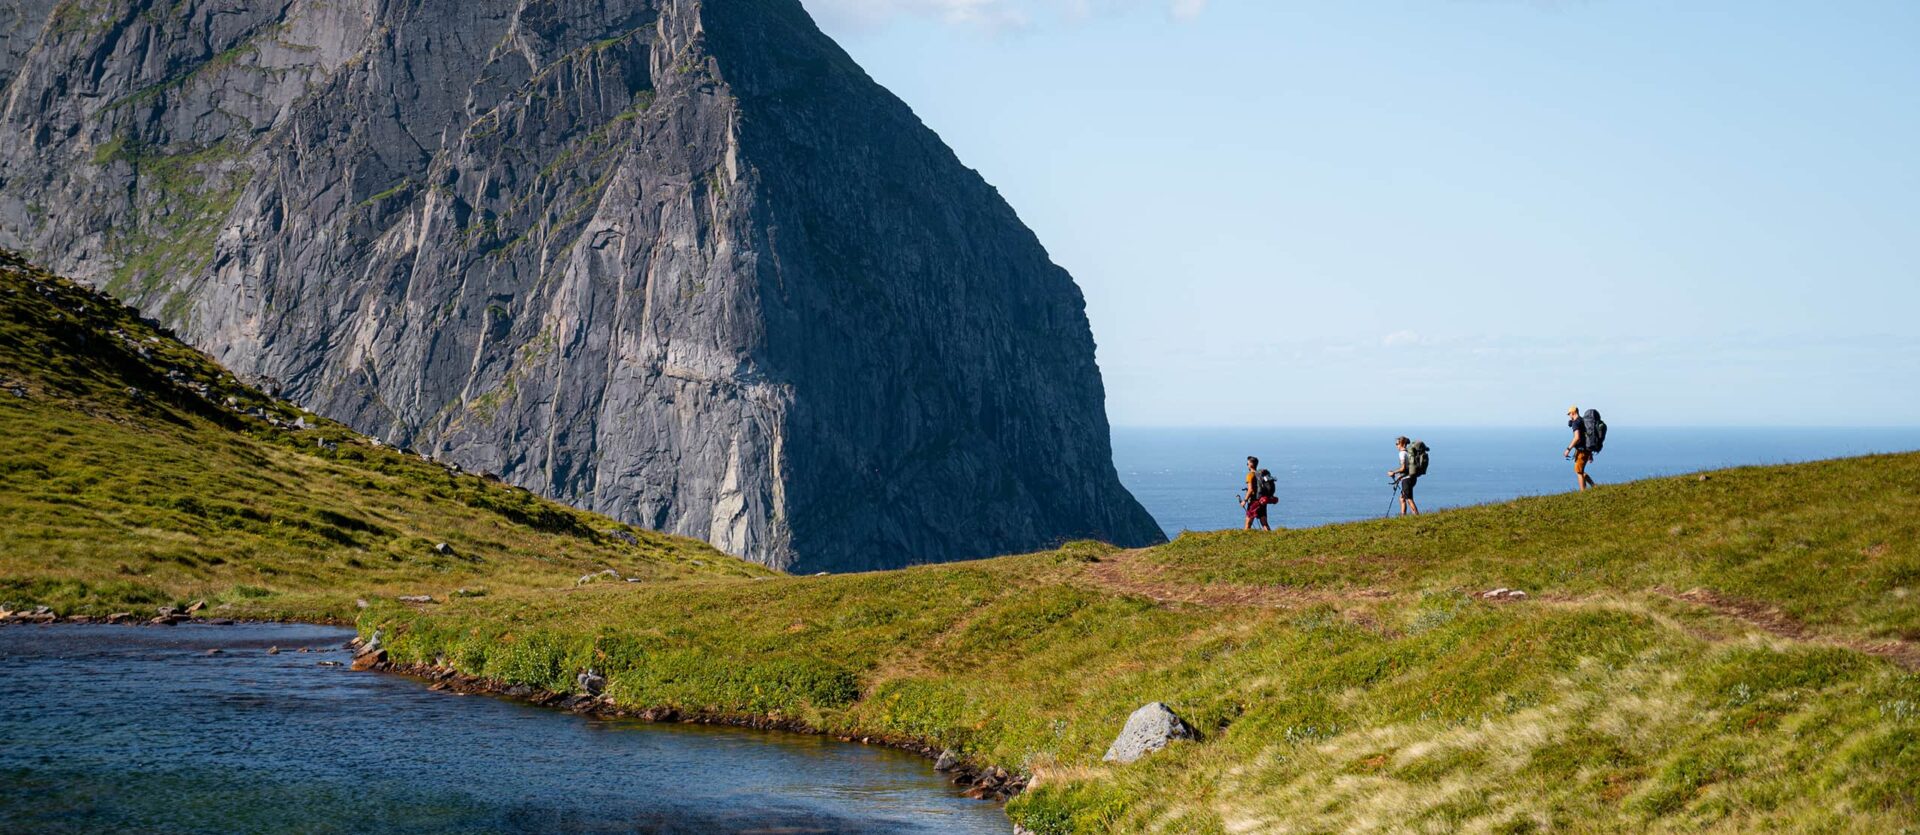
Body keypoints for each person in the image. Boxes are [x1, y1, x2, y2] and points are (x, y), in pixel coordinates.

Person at [1565, 406, 1596, 491]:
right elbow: (1587, 437)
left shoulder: (1576, 423)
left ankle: (1583, 493)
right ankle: (1594, 486)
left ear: (1573, 413)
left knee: (1579, 472)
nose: (1569, 416)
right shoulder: (1583, 421)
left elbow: (1577, 438)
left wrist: (1568, 449)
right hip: (1586, 450)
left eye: (1569, 414)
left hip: (1582, 450)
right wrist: (1590, 454)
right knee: (1580, 470)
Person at [1240, 456, 1274, 531]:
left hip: (1253, 502)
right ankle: (1271, 538)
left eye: (1247, 463)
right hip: (1262, 501)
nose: (1247, 465)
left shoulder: (1250, 475)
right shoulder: (1261, 475)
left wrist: (1244, 501)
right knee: (1264, 523)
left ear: (1251, 464)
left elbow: (1250, 489)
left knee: (1248, 523)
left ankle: (1244, 540)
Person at [1387, 436, 1419, 516]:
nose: (1396, 445)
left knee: (1409, 499)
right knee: (1402, 498)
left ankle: (1417, 516)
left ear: (1402, 444)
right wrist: (1400, 476)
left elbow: (1403, 468)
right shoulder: (1408, 452)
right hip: (1412, 477)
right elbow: (1408, 468)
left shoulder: (1402, 453)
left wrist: (1393, 472)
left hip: (1407, 479)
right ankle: (1403, 517)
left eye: (1397, 444)